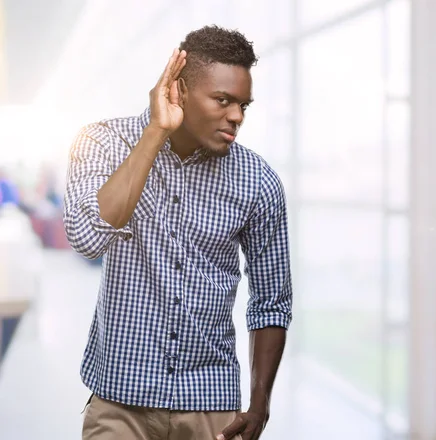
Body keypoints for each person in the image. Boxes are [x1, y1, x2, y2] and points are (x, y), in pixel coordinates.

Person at [63, 25, 292, 440]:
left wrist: (259, 407)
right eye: (223, 100)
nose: (237, 116)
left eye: (243, 104)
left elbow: (272, 301)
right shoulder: (101, 142)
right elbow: (86, 238)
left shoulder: (260, 182)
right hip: (120, 402)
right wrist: (155, 133)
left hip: (211, 406)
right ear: (180, 90)